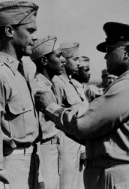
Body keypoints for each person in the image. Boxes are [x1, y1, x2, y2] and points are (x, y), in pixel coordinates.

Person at [35, 22, 129, 189]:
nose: (105, 57)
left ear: (127, 51)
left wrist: (50, 107)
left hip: (119, 178)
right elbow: (91, 135)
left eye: (109, 50)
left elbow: (83, 125)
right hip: (123, 175)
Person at [0, 0, 42, 189]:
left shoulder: (23, 72)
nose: (35, 38)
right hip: (10, 172)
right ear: (10, 31)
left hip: (32, 167)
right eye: (30, 31)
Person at [29, 35, 66, 189]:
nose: (63, 59)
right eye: (58, 55)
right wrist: (40, 176)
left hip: (53, 150)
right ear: (44, 61)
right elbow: (34, 134)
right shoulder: (38, 89)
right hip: (43, 153)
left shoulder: (49, 86)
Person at [52, 42, 86, 189]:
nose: (78, 63)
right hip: (65, 142)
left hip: (77, 142)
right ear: (64, 60)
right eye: (75, 59)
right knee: (66, 183)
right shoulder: (57, 83)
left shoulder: (73, 83)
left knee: (78, 182)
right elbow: (54, 116)